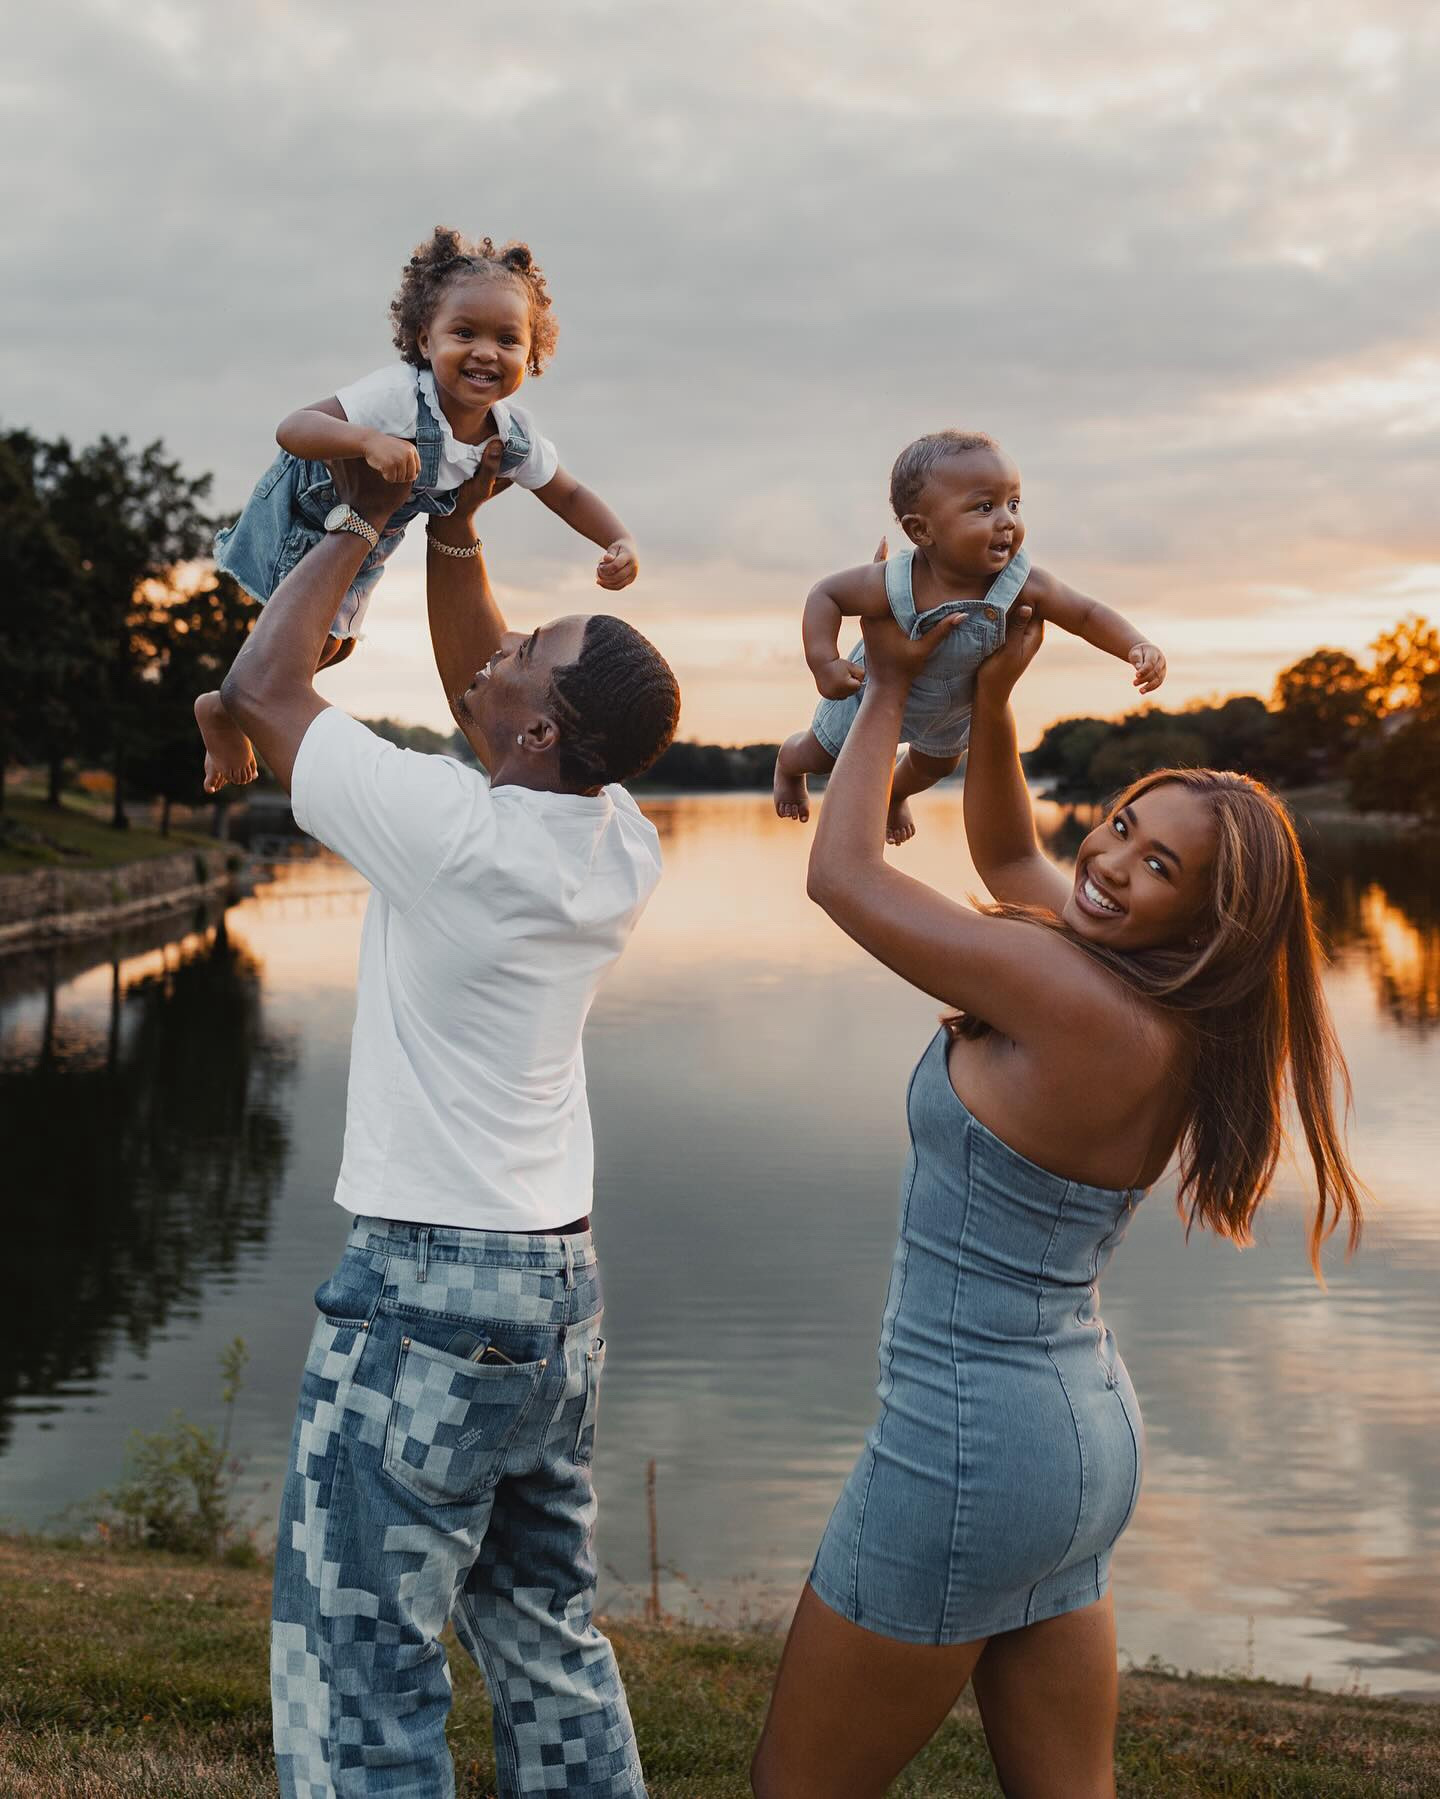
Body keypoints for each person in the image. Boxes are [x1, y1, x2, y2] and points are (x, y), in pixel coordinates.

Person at [752, 596, 1364, 1798]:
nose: (1111, 861)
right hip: (1078, 1443)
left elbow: (843, 869)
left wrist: (885, 681)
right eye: (1125, 826)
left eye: (1159, 865)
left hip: (970, 1442)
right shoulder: (1164, 1015)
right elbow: (1006, 858)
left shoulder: (1068, 993)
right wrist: (992, 702)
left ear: (1209, 914)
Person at [219, 440, 677, 1798]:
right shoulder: (614, 838)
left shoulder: (449, 827)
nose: (501, 649)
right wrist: (463, 538)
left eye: (531, 647)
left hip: (426, 1289)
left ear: (541, 732)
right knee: (545, 1633)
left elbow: (261, 687)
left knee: (356, 1651)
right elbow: (492, 698)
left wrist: (369, 516)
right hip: (557, 1294)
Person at [197, 226, 639, 794]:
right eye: (464, 333)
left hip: (370, 539)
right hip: (307, 516)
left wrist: (619, 540)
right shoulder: (400, 395)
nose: (485, 351)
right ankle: (226, 710)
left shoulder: (513, 435)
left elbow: (568, 493)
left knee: (336, 646)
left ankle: (225, 703)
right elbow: (293, 428)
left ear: (532, 354)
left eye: (508, 340)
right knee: (299, 650)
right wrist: (366, 442)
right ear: (425, 342)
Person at [772, 431, 1166, 843]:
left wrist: (1135, 645)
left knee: (936, 768)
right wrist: (824, 662)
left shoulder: (1021, 584)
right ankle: (787, 763)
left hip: (950, 711)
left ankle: (896, 793)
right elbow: (826, 595)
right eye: (985, 507)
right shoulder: (896, 580)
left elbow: (1086, 613)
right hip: (868, 692)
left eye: (1013, 504)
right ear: (921, 531)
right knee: (821, 755)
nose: (1007, 521)